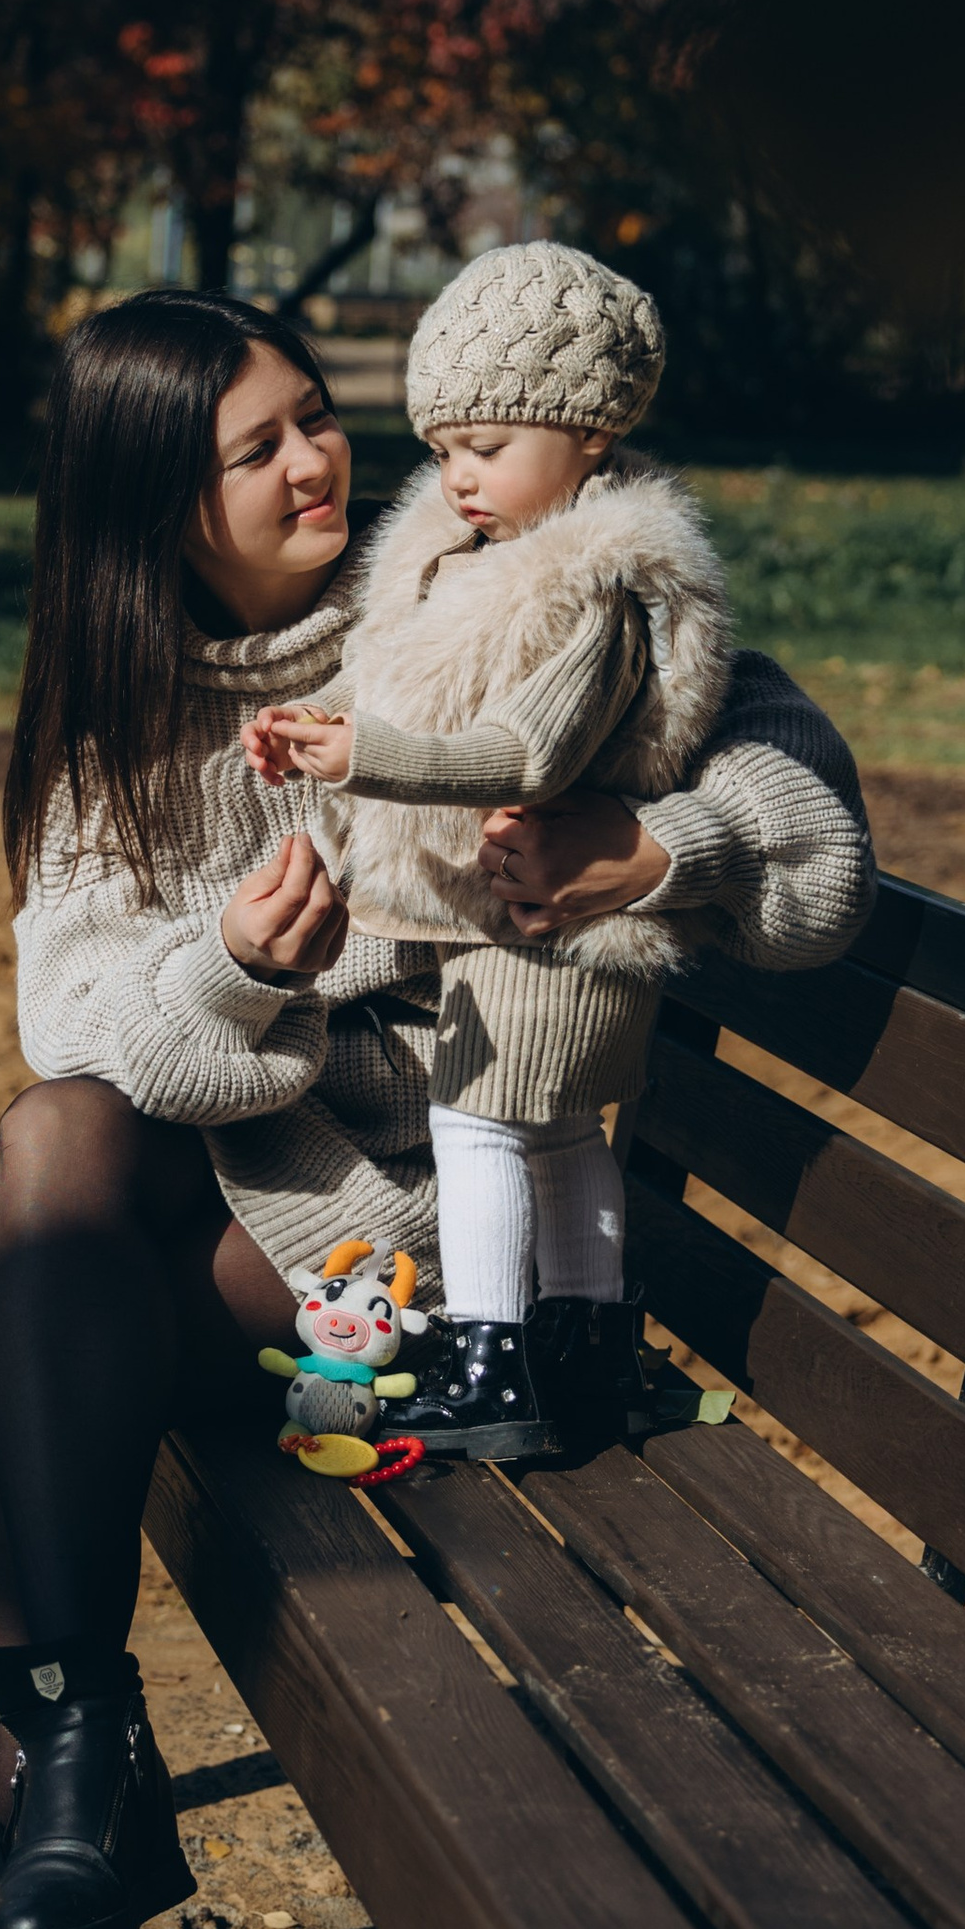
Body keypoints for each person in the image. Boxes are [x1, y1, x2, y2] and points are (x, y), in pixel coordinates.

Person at [0, 287, 873, 1929]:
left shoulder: (489, 589)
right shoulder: (125, 728)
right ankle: (66, 1797)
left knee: (57, 1306)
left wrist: (651, 849)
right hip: (274, 1253)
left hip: (450, 1264)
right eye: (259, 446)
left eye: (316, 414)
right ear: (161, 511)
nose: (321, 460)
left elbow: (804, 818)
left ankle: (43, 1856)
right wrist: (230, 971)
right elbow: (76, 1024)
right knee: (55, 1148)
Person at [244, 241, 729, 1462]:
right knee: (556, 1135)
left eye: (489, 449)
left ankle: (491, 1354)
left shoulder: (588, 591)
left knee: (482, 1127)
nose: (457, 477)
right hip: (497, 920)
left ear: (593, 435)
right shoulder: (456, 561)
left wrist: (365, 757)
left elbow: (522, 755)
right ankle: (586, 1346)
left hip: (542, 922)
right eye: (443, 448)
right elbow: (390, 677)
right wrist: (320, 721)